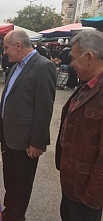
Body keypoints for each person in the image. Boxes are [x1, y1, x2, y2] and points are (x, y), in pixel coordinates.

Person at [0, 30, 57, 221]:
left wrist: (37, 142)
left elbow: (44, 109)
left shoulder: (43, 67)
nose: (4, 52)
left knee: (21, 185)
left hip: (26, 141)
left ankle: (17, 217)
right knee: (10, 181)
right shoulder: (16, 67)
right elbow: (9, 101)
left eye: (6, 48)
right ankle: (9, 212)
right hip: (9, 137)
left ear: (18, 45)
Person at [55, 30, 103, 221]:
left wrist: (92, 197)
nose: (71, 64)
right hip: (72, 183)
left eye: (73, 58)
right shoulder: (86, 85)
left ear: (89, 57)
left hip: (86, 191)